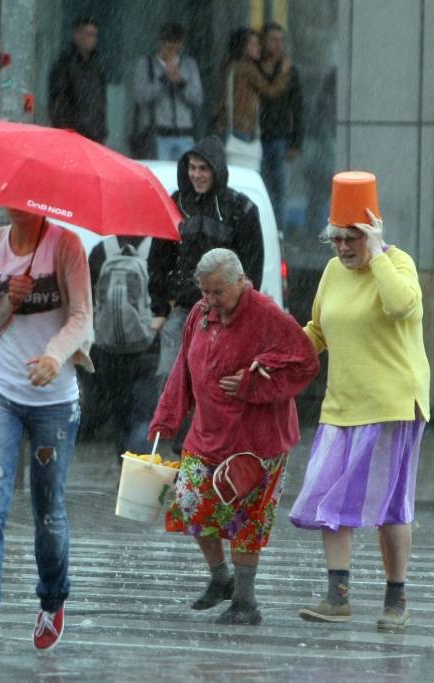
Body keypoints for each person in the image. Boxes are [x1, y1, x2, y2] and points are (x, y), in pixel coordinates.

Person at [149, 248, 319, 625]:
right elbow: (183, 369)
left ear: (240, 282)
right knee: (189, 499)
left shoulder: (268, 315)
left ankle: (245, 601)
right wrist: (166, 417)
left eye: (217, 292)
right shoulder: (200, 314)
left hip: (256, 441)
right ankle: (220, 578)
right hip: (207, 433)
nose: (209, 300)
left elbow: (305, 363)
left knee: (247, 517)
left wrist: (253, 383)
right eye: (204, 291)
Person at [0, 208, 93, 656]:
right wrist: (7, 304)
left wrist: (55, 355)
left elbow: (81, 317)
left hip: (55, 401)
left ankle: (52, 600)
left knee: (48, 510)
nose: (16, 207)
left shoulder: (67, 246)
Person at [289, 208, 429, 632]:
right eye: (336, 239)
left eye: (352, 238)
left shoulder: (397, 263)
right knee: (328, 495)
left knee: (391, 506)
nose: (343, 247)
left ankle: (396, 598)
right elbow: (317, 330)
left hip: (392, 404)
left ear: (370, 235)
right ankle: (338, 596)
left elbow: (401, 306)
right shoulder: (333, 271)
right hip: (342, 404)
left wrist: (378, 252)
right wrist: (276, 357)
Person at [148, 136, 265, 393]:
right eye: (192, 167)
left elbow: (252, 269)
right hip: (182, 312)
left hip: (224, 315)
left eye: (203, 168)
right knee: (169, 383)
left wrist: (240, 311)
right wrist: (160, 307)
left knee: (214, 386)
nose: (196, 175)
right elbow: (158, 260)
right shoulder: (176, 204)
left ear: (217, 170)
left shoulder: (241, 209)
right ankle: (173, 421)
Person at [78, 235, 158, 453]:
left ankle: (125, 465)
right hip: (148, 346)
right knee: (144, 415)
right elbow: (167, 296)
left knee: (120, 415)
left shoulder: (101, 251)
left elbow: (86, 299)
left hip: (109, 349)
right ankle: (139, 463)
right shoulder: (157, 249)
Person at [216, 28, 291, 169]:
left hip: (227, 126)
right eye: (253, 44)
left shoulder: (230, 65)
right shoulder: (247, 68)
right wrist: (283, 72)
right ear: (243, 47)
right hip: (241, 127)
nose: (258, 47)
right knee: (245, 169)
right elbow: (270, 91)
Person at [133, 22, 204, 161]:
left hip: (185, 134)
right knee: (160, 172)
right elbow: (140, 97)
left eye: (177, 48)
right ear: (161, 43)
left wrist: (181, 83)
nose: (173, 52)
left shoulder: (189, 65)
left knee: (185, 172)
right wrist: (163, 80)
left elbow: (198, 98)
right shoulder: (146, 64)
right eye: (169, 47)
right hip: (157, 134)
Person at [258, 22, 304, 232]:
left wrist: (296, 142)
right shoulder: (255, 67)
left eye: (281, 41)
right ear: (263, 41)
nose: (277, 45)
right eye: (273, 40)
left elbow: (298, 108)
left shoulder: (289, 71)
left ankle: (279, 234)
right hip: (256, 137)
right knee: (262, 189)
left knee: (280, 191)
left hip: (280, 138)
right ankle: (262, 232)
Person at [47, 16, 107, 143]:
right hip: (73, 135)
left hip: (94, 135)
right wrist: (66, 128)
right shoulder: (64, 65)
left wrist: (102, 129)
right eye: (89, 34)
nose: (92, 39)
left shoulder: (97, 67)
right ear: (77, 35)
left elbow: (100, 102)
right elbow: (58, 101)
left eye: (95, 35)